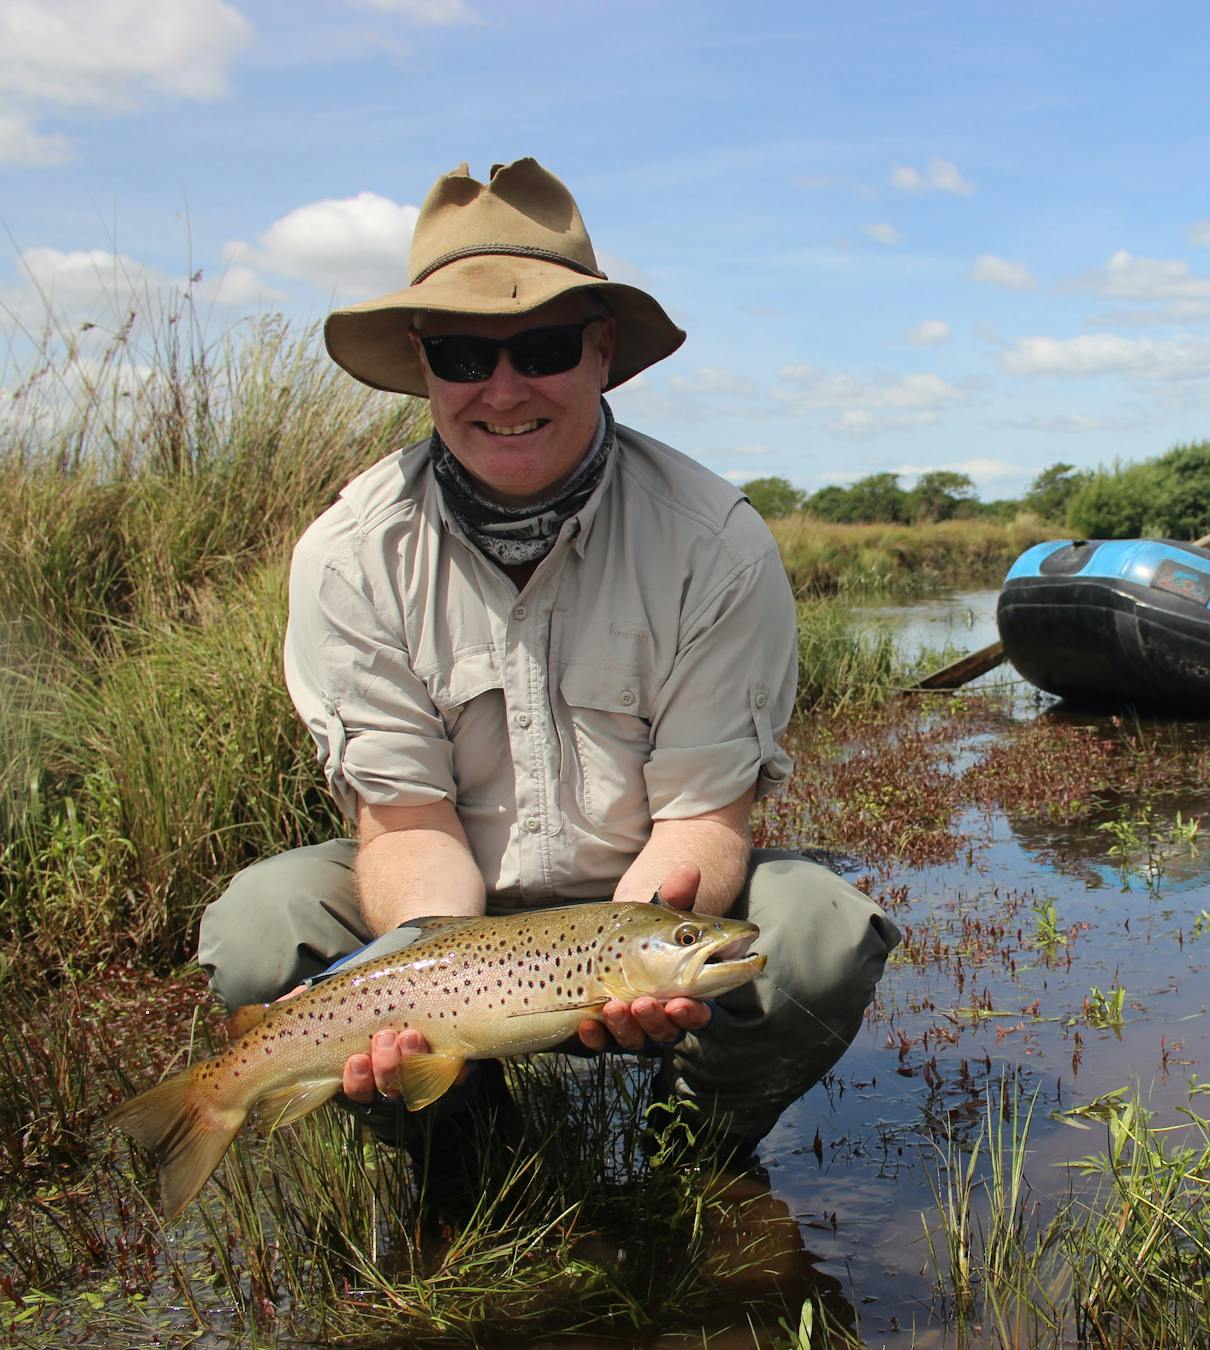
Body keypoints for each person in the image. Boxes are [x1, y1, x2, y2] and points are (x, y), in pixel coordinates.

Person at [196, 158, 900, 1187]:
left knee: (823, 933)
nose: (504, 388)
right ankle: (476, 1164)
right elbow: (407, 827)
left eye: (542, 346)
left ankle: (688, 1159)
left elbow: (704, 816)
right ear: (421, 362)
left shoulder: (715, 542)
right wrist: (425, 991)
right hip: (442, 922)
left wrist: (635, 954)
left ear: (601, 350)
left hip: (637, 901)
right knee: (262, 930)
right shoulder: (349, 554)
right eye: (462, 354)